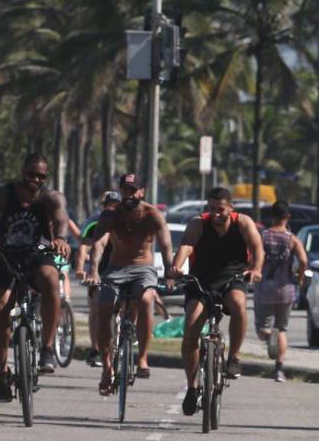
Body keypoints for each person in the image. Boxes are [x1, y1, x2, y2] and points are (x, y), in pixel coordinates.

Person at [0, 153, 71, 403]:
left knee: (50, 280)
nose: (35, 180)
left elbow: (61, 219)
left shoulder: (51, 197)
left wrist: (60, 238)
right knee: (0, 306)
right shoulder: (3, 194)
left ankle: (47, 349)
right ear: (22, 171)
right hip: (5, 256)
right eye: (31, 175)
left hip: (37, 256)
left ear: (46, 177)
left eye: (41, 176)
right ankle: (3, 370)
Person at [170, 186, 264, 416]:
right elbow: (187, 245)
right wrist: (177, 265)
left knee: (239, 304)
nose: (216, 214)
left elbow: (257, 247)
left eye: (220, 209)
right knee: (191, 328)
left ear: (230, 208)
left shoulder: (243, 223)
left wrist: (256, 269)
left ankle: (233, 357)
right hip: (200, 279)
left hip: (232, 277)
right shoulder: (198, 224)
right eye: (211, 209)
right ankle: (192, 388)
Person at [80, 173, 175, 396]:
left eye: (133, 190)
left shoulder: (152, 214)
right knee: (103, 305)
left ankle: (142, 358)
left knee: (145, 299)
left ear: (141, 191)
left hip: (143, 268)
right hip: (116, 269)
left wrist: (170, 273)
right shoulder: (111, 215)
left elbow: (166, 243)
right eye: (125, 190)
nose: (129, 194)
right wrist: (93, 271)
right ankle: (106, 367)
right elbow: (99, 243)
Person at [254, 201, 308, 383]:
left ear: (272, 216)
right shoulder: (292, 239)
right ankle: (279, 370)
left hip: (264, 289)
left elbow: (253, 256)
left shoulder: (263, 236)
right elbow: (303, 260)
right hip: (286, 289)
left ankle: (270, 336)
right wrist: (299, 277)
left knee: (262, 330)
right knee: (282, 329)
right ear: (288, 217)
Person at [76, 191, 120, 368]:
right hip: (98, 271)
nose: (113, 208)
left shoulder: (125, 221)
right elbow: (83, 248)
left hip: (120, 269)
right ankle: (95, 349)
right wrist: (80, 270)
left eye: (116, 205)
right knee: (95, 308)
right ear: (103, 206)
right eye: (110, 205)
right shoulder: (94, 222)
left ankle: (125, 339)